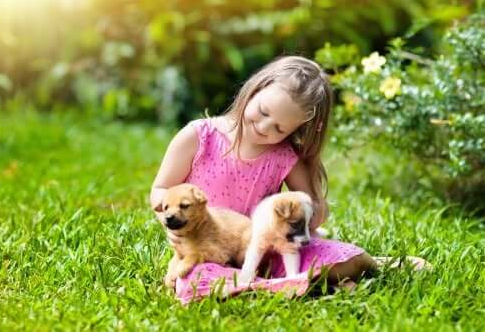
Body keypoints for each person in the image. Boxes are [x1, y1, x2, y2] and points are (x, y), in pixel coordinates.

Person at [150, 55, 429, 303]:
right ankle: (304, 287)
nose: (263, 127)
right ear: (256, 88)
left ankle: (365, 267)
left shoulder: (284, 156)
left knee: (344, 259)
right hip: (205, 249)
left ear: (296, 129)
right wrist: (171, 219)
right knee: (194, 279)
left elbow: (313, 210)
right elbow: (161, 188)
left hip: (266, 253)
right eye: (262, 112)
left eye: (279, 128)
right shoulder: (199, 136)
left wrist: (307, 210)